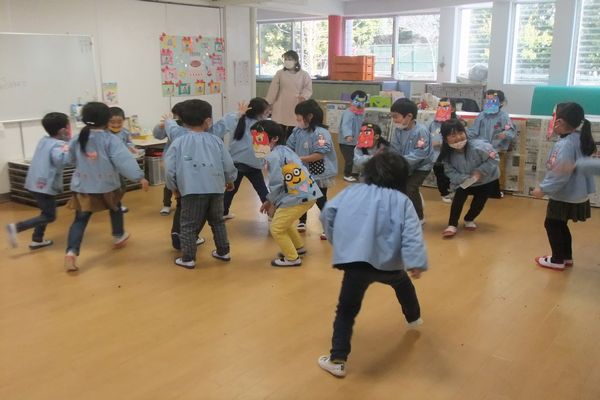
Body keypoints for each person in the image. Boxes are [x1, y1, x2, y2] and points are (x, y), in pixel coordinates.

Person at [317, 151, 428, 378]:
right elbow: (412, 233)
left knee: (346, 310)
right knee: (403, 284)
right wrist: (415, 262)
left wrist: (337, 240)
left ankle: (337, 360)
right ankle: (414, 317)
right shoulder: (403, 201)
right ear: (402, 178)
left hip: (356, 264)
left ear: (368, 172)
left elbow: (327, 213)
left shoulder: (353, 191)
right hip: (389, 265)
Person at [64, 102, 149, 272]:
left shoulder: (77, 138)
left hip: (83, 186)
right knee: (115, 208)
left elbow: (69, 159)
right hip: (107, 186)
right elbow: (124, 161)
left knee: (80, 219)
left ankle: (71, 252)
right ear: (106, 120)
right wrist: (139, 177)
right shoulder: (110, 139)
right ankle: (118, 236)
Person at [164, 99, 238, 269]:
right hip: (216, 189)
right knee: (218, 221)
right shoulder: (216, 140)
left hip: (191, 191)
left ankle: (188, 258)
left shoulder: (178, 142)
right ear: (208, 121)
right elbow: (228, 164)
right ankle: (223, 252)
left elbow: (169, 169)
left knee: (188, 225)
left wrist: (173, 187)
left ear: (182, 121)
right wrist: (230, 180)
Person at [532, 102, 596, 271]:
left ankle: (557, 260)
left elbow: (559, 173)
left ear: (559, 122)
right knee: (560, 225)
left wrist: (543, 189)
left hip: (565, 195)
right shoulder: (578, 137)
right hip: (577, 194)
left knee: (552, 224)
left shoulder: (565, 144)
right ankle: (566, 257)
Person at [257, 120, 322, 266]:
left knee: (276, 228)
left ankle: (292, 258)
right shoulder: (286, 150)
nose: (256, 142)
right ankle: (298, 248)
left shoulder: (273, 156)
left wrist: (271, 202)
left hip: (296, 197)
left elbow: (277, 183)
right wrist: (270, 201)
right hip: (307, 194)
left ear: (274, 138)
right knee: (283, 222)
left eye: (260, 138)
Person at [6, 112, 72, 249]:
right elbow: (62, 160)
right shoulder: (58, 145)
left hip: (34, 183)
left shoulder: (44, 140)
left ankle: (37, 239)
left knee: (45, 212)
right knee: (50, 216)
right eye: (68, 127)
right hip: (45, 186)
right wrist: (70, 148)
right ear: (63, 130)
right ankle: (17, 227)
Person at [210, 98, 271, 220]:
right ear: (259, 113)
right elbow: (263, 149)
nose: (268, 114)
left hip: (236, 162)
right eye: (266, 112)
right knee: (262, 189)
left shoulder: (238, 119)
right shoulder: (261, 126)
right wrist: (264, 162)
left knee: (231, 190)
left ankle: (223, 212)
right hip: (253, 164)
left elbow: (222, 126)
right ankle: (271, 213)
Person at [438, 119, 500, 238]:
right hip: (465, 181)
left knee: (479, 203)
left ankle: (469, 219)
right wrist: (465, 178)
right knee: (458, 200)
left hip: (486, 180)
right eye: (453, 135)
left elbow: (494, 158)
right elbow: (449, 171)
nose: (458, 138)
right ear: (445, 139)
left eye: (461, 133)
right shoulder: (447, 154)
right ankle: (452, 225)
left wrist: (480, 172)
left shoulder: (480, 146)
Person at [286, 99, 337, 238]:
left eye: (299, 118)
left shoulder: (321, 133)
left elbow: (320, 154)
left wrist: (299, 159)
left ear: (309, 116)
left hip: (319, 173)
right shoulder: (297, 131)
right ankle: (302, 220)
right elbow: (289, 147)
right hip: (302, 171)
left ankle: (329, 226)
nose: (297, 121)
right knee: (301, 197)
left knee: (320, 199)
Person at [389, 98, 434, 224]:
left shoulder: (421, 131)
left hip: (422, 167)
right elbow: (394, 148)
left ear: (409, 116)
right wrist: (393, 161)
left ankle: (419, 217)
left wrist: (400, 161)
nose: (394, 120)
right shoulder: (398, 130)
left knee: (410, 188)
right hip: (404, 165)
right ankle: (410, 205)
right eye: (392, 117)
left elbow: (420, 153)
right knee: (399, 188)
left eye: (396, 116)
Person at [468, 90, 516, 198]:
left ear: (501, 102)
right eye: (488, 100)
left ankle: (494, 192)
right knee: (479, 167)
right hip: (481, 147)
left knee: (492, 168)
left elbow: (510, 130)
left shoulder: (503, 116)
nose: (490, 102)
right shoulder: (482, 115)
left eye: (493, 100)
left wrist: (505, 134)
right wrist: (465, 136)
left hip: (496, 147)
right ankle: (478, 189)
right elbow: (474, 130)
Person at [265, 50, 312, 143]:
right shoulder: (280, 73)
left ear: (296, 61)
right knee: (278, 132)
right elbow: (273, 89)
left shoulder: (304, 74)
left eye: (289, 59)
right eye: (285, 59)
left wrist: (303, 97)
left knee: (293, 132)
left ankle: (291, 149)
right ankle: (279, 149)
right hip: (280, 105)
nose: (287, 61)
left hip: (296, 105)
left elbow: (308, 88)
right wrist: (268, 103)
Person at [153, 102, 185, 216]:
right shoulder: (172, 125)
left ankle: (181, 204)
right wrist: (161, 126)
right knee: (169, 182)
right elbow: (158, 135)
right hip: (171, 157)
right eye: (174, 115)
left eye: (177, 115)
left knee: (183, 183)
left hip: (185, 159)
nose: (176, 118)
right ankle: (166, 204)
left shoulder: (188, 126)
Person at [108, 106, 140, 213]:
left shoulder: (125, 132)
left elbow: (128, 142)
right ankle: (112, 204)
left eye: (119, 122)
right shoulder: (104, 134)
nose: (116, 125)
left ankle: (115, 204)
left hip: (120, 165)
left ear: (123, 121)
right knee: (109, 188)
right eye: (112, 122)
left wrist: (132, 148)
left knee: (121, 187)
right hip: (107, 166)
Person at [428, 98, 458, 203]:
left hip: (451, 155)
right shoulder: (433, 122)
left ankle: (454, 191)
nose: (441, 109)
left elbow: (460, 138)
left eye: (445, 106)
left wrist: (442, 144)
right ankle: (444, 193)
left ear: (452, 109)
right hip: (436, 156)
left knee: (451, 175)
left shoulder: (456, 123)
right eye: (439, 106)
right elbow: (426, 135)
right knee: (440, 175)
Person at [338, 90, 368, 182]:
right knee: (349, 159)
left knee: (359, 157)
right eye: (357, 101)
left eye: (363, 102)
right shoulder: (348, 113)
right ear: (351, 101)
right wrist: (348, 135)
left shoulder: (361, 113)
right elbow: (345, 125)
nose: (360, 104)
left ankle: (357, 173)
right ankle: (347, 174)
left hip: (356, 141)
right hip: (346, 142)